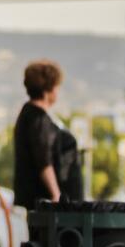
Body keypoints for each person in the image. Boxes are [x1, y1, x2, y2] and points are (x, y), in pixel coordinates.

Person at [12, 61, 82, 209]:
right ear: (48, 89)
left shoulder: (29, 115)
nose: (58, 91)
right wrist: (56, 195)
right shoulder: (38, 119)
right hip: (45, 204)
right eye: (57, 87)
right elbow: (44, 160)